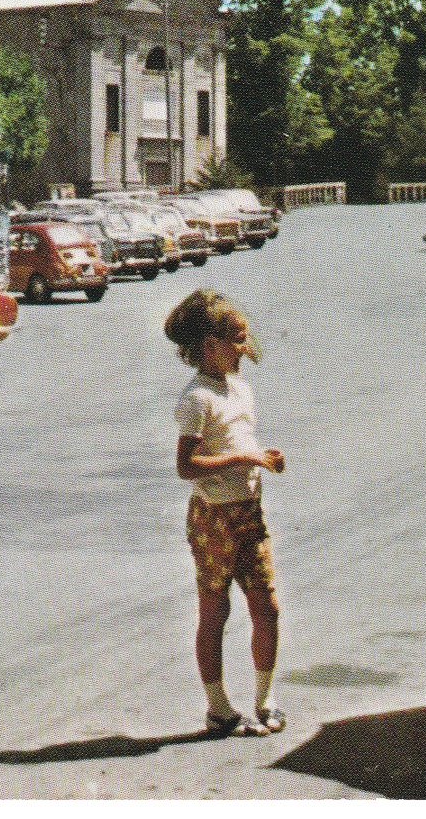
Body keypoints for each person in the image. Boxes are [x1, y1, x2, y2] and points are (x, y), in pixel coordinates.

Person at [165, 289, 287, 738]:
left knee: (267, 608)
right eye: (236, 339)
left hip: (249, 514)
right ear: (209, 344)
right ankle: (218, 707)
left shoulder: (241, 390)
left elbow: (239, 444)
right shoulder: (197, 399)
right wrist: (247, 460)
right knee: (215, 611)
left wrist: (261, 457)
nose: (244, 347)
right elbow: (186, 466)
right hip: (213, 518)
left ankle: (264, 699)